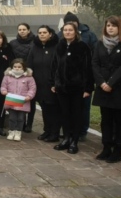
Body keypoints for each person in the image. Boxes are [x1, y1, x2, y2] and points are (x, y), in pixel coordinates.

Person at [91, 16, 121, 164]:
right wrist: (101, 82)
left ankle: (117, 150)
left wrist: (111, 83)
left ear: (120, 28)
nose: (110, 28)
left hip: (119, 88)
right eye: (108, 25)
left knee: (120, 120)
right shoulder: (100, 44)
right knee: (106, 119)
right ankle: (106, 147)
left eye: (113, 25)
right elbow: (95, 63)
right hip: (103, 87)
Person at [51, 22, 93, 154]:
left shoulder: (82, 47)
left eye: (70, 30)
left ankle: (74, 141)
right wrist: (54, 83)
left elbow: (88, 68)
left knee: (76, 114)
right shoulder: (59, 46)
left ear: (76, 32)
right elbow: (54, 65)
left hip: (77, 88)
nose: (67, 32)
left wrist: (88, 88)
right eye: (65, 30)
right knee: (64, 113)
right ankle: (66, 138)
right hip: (62, 87)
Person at [62, 11, 98, 140]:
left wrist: (88, 84)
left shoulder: (89, 36)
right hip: (66, 82)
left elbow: (93, 56)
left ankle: (82, 131)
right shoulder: (61, 38)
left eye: (73, 23)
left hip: (82, 80)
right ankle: (69, 132)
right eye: (67, 25)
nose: (69, 29)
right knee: (68, 109)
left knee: (83, 108)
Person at [27, 25, 61, 143]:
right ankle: (47, 130)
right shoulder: (34, 47)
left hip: (52, 84)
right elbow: (29, 64)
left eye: (44, 32)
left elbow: (59, 65)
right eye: (40, 32)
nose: (42, 34)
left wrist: (56, 82)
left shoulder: (57, 47)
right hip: (39, 84)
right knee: (44, 108)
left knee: (54, 109)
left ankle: (54, 133)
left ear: (50, 34)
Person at [9, 23, 36, 133]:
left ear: (28, 30)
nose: (22, 31)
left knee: (30, 99)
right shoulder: (12, 43)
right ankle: (21, 123)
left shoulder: (35, 42)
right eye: (20, 29)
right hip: (16, 74)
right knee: (18, 98)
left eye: (24, 29)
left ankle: (29, 124)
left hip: (30, 74)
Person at [0, 59, 37, 141]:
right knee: (12, 118)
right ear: (12, 67)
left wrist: (29, 96)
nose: (17, 68)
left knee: (20, 118)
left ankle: (18, 132)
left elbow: (32, 88)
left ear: (23, 67)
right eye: (15, 66)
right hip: (11, 101)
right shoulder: (7, 76)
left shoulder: (29, 78)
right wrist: (4, 91)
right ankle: (11, 131)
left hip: (23, 101)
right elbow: (3, 86)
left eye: (19, 67)